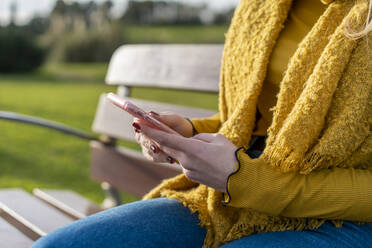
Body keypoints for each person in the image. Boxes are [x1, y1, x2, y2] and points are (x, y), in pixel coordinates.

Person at [32, 0, 372, 247]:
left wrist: (249, 181)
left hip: (346, 218)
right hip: (231, 196)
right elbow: (259, 121)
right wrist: (192, 132)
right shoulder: (263, 7)